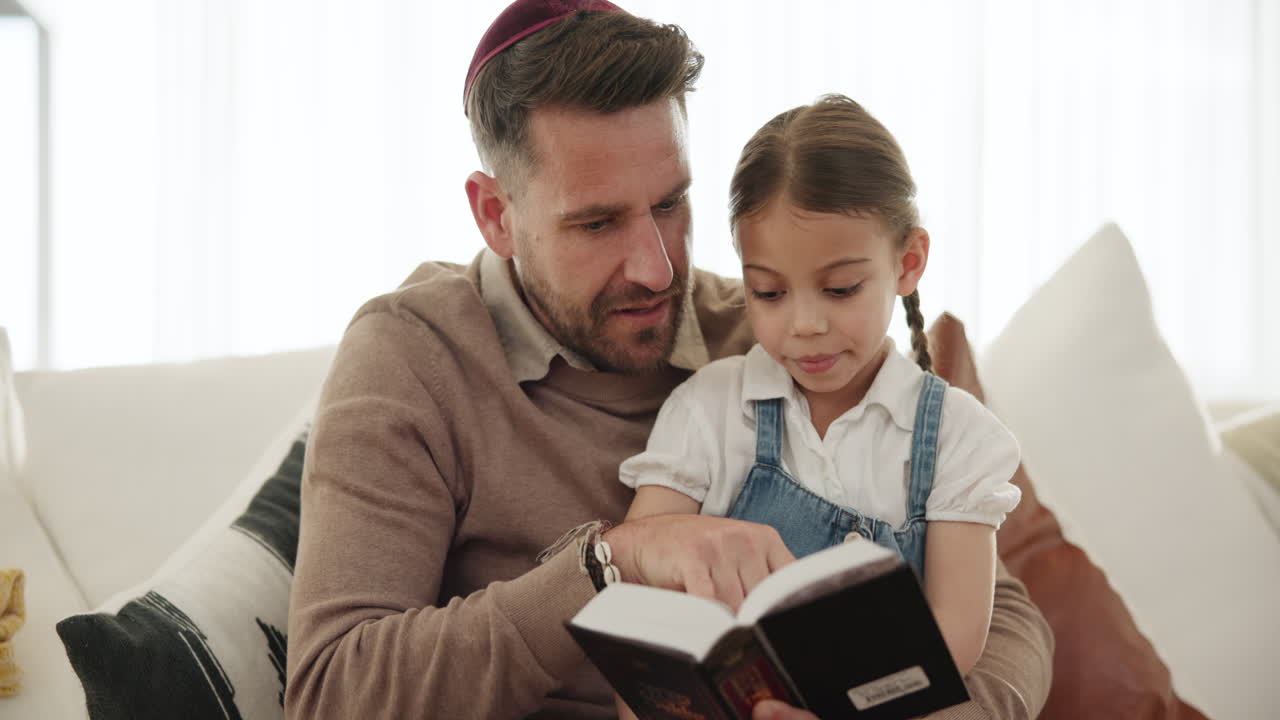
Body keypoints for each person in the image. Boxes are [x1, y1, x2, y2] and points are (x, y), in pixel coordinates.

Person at [285, 2, 1053, 719]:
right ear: (497, 215)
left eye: (669, 205)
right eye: (597, 223)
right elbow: (330, 692)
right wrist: (604, 564)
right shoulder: (412, 359)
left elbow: (1008, 613)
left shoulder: (772, 333)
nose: (657, 269)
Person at [613, 95, 1021, 718]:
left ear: (907, 262)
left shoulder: (958, 440)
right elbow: (640, 580)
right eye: (769, 292)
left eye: (839, 290)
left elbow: (955, 636)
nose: (804, 324)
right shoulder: (710, 410)